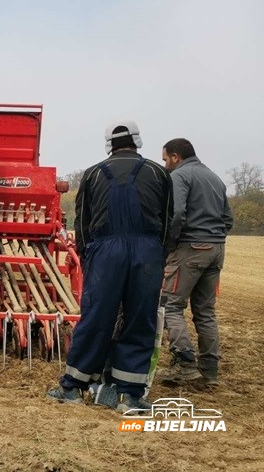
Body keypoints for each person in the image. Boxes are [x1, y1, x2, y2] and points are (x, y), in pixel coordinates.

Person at [46, 121, 173, 413]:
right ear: (137, 141)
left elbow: (83, 224)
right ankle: (130, 396)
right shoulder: (158, 173)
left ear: (109, 145)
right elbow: (169, 222)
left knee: (96, 317)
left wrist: (91, 258)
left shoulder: (92, 174)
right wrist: (159, 255)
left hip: (105, 251)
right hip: (148, 251)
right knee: (140, 318)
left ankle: (72, 387)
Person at [158, 138, 233, 387]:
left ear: (176, 157)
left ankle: (185, 364)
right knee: (205, 311)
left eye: (166, 159)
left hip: (190, 248)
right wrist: (215, 237)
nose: (165, 164)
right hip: (216, 249)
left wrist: (170, 244)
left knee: (171, 306)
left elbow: (176, 213)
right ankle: (210, 373)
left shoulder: (180, 177)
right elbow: (228, 218)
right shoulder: (214, 178)